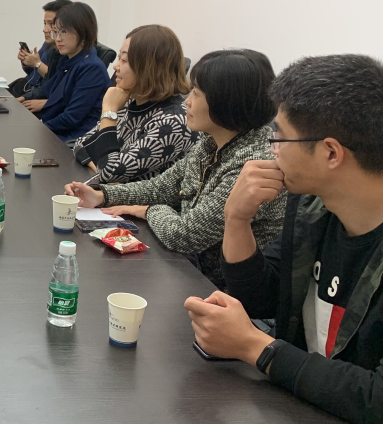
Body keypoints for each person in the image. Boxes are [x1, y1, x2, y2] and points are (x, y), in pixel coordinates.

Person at [169, 54, 383, 424]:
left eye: (280, 137)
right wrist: (236, 220)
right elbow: (265, 297)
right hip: (317, 421)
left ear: (330, 152)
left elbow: (381, 399)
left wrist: (258, 348)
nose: (269, 149)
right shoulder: (313, 209)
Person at [65, 49, 285, 288]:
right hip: (186, 271)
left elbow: (184, 236)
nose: (187, 101)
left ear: (227, 103)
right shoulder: (212, 141)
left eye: (196, 94)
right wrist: (102, 195)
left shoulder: (252, 164)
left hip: (216, 289)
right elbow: (162, 186)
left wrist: (149, 210)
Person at [70, 25, 197, 184]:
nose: (116, 66)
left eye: (124, 60)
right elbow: (81, 144)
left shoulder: (173, 122)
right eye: (119, 59)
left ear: (150, 68)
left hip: (137, 201)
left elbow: (109, 171)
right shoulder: (131, 101)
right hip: (108, 194)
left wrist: (109, 110)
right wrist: (101, 171)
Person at [23, 1, 110, 142]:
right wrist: (22, 99)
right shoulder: (68, 60)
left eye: (63, 32)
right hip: (56, 130)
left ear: (82, 32)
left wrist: (38, 129)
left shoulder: (91, 67)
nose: (57, 38)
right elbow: (48, 90)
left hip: (74, 140)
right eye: (56, 32)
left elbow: (71, 118)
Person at [8, 0, 70, 99]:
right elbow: (32, 72)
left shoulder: (68, 51)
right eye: (44, 23)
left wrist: (37, 64)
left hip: (37, 94)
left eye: (50, 23)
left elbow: (56, 82)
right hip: (26, 86)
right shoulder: (48, 44)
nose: (45, 29)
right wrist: (26, 60)